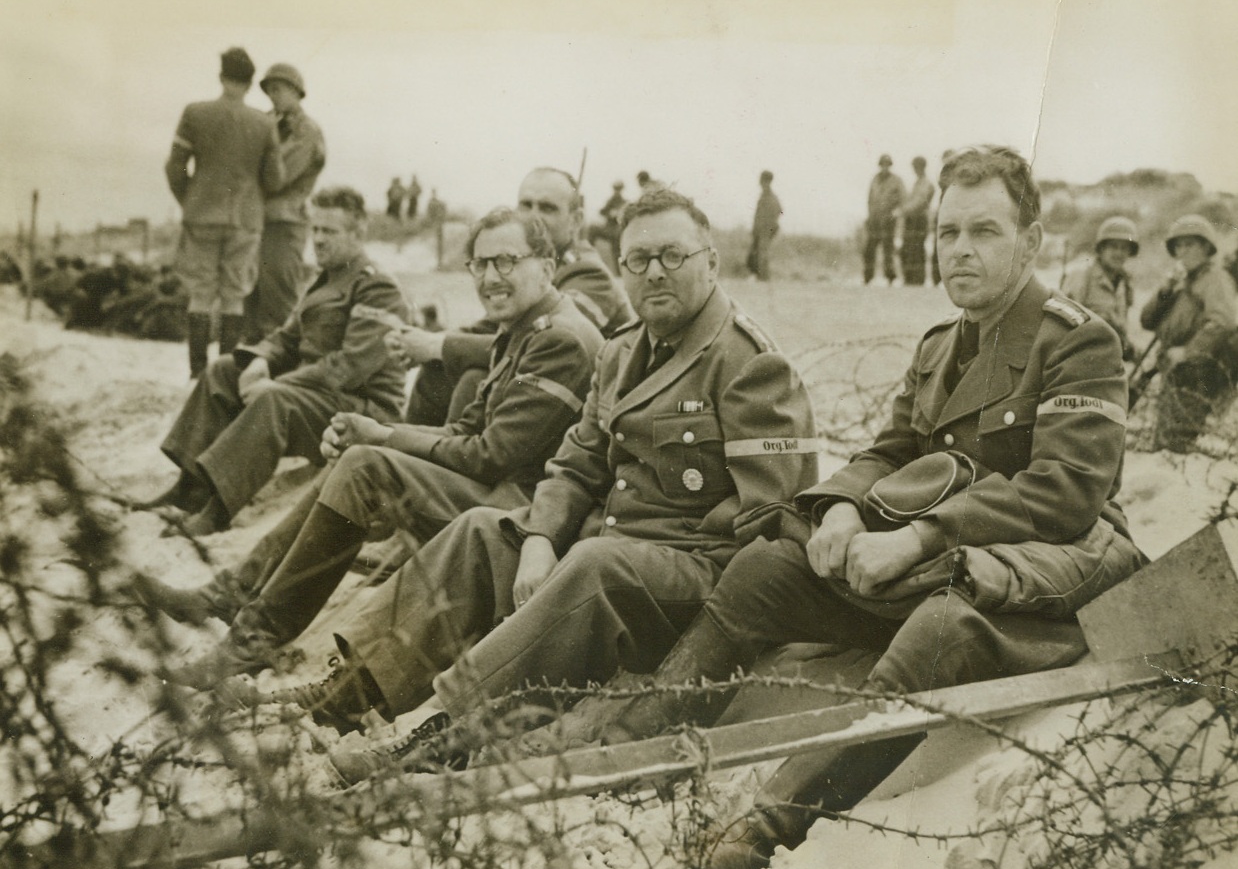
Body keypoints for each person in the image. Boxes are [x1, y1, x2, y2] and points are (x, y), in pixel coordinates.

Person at [502, 146, 1145, 869]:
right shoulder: (941, 345)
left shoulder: (1078, 339)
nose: (960, 250)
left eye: (984, 232)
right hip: (936, 558)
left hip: (1036, 574)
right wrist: (839, 508)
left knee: (941, 626)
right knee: (763, 569)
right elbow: (890, 448)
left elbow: (1065, 490)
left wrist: (918, 537)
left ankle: (765, 829)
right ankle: (635, 745)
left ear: (1030, 242)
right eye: (948, 232)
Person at [255, 189, 818, 754]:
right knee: (484, 531)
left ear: (711, 262)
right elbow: (575, 463)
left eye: (673, 256)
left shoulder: (750, 362)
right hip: (612, 554)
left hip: (694, 577)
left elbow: (771, 517)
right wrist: (541, 538)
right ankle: (351, 694)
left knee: (596, 561)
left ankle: (446, 727)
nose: (653, 273)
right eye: (637, 261)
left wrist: (620, 547)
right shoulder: (622, 352)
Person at [141, 206, 605, 689]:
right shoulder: (523, 328)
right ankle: (230, 596)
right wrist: (372, 433)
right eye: (480, 264)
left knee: (366, 466)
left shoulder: (560, 340)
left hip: (525, 517)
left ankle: (249, 641)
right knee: (361, 459)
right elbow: (466, 431)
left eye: (506, 261)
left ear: (547, 268)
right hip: (500, 492)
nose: (490, 277)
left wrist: (384, 437)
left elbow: (489, 455)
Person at [133, 187, 408, 536]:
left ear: (358, 233)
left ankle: (217, 511)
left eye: (329, 231)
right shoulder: (325, 279)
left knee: (273, 400)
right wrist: (261, 360)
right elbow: (287, 336)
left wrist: (278, 383)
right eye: (315, 229)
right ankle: (189, 489)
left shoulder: (378, 287)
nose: (318, 240)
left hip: (362, 410)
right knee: (223, 371)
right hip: (319, 397)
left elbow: (349, 367)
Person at [403, 167, 633, 426]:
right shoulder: (523, 263)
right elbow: (491, 328)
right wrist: (428, 343)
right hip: (543, 392)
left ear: (576, 221)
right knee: (439, 368)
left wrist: (437, 345)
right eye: (526, 205)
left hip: (583, 415)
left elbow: (533, 343)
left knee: (472, 374)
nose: (534, 217)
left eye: (547, 208)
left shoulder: (588, 273)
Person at [164, 47, 286, 377]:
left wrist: (189, 201)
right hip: (245, 219)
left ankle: (196, 374)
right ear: (250, 83)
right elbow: (275, 179)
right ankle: (225, 375)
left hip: (201, 215)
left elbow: (174, 167)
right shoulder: (263, 123)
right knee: (234, 296)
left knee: (200, 294)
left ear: (221, 77)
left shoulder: (195, 113)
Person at [243, 63, 327, 343]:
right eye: (269, 92)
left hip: (285, 223)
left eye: (278, 90)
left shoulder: (306, 131)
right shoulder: (271, 125)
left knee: (278, 303)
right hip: (256, 222)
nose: (273, 97)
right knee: (250, 303)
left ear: (295, 91)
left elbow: (278, 176)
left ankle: (280, 374)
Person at [1139, 214, 1238, 453]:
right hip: (1176, 370)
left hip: (1198, 371)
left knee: (1176, 440)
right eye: (1179, 246)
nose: (1183, 251)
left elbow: (1223, 322)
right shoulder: (1182, 281)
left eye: (1190, 244)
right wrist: (1165, 290)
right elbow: (1147, 321)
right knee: (1166, 439)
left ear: (1206, 247)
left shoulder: (1215, 279)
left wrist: (1187, 351)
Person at [1061, 215, 1139, 359]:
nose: (1119, 253)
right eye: (1114, 247)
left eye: (1124, 248)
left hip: (1109, 360)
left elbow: (1121, 328)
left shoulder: (1125, 284)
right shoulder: (1082, 276)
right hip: (1081, 356)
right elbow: (1064, 324)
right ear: (1102, 249)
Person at [863, 154, 905, 286]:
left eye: (887, 164)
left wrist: (895, 212)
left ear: (890, 165)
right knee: (869, 248)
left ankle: (890, 277)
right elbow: (870, 199)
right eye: (882, 164)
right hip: (875, 220)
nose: (885, 167)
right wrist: (870, 216)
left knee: (888, 249)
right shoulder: (875, 179)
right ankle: (867, 276)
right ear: (880, 165)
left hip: (888, 220)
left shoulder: (896, 180)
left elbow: (902, 198)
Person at [897, 156, 934, 285]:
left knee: (917, 249)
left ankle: (917, 280)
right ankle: (909, 279)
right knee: (908, 249)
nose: (915, 170)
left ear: (921, 167)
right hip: (911, 220)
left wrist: (903, 210)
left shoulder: (926, 183)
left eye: (916, 167)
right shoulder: (917, 182)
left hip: (919, 220)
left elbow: (920, 202)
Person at [746, 170, 782, 282]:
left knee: (762, 253)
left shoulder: (770, 197)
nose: (760, 183)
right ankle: (760, 276)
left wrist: (769, 226)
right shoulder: (764, 196)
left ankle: (763, 278)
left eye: (762, 180)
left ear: (766, 181)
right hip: (759, 230)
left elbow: (779, 211)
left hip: (765, 230)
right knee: (757, 252)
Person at [588, 179, 627, 272]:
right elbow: (602, 211)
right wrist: (609, 213)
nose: (617, 191)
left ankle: (618, 272)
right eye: (616, 189)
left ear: (621, 190)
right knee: (592, 229)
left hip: (617, 229)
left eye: (619, 189)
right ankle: (588, 253)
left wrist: (618, 214)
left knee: (617, 247)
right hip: (608, 228)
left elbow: (627, 214)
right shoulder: (611, 200)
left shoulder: (624, 202)